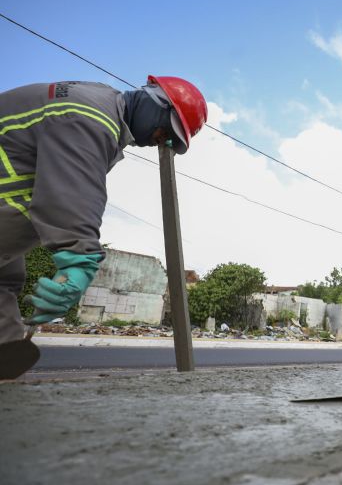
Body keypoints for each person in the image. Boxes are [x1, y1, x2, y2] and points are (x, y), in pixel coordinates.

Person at [0, 76, 207, 380]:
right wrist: (78, 258)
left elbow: (46, 186)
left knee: (6, 277)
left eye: (170, 141)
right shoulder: (91, 115)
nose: (159, 140)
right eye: (165, 130)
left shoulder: (96, 107)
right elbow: (74, 190)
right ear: (154, 102)